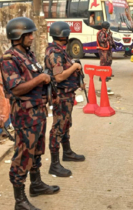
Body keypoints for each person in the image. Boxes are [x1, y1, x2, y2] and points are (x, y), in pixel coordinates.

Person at [0, 17, 60, 210]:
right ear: (18, 36)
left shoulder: (28, 55)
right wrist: (41, 78)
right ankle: (19, 201)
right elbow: (16, 89)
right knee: (23, 155)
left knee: (36, 150)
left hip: (38, 112)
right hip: (25, 115)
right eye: (29, 34)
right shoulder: (9, 59)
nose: (32, 37)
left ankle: (36, 184)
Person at [45, 21, 85, 177]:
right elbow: (59, 76)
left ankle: (67, 152)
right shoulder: (55, 53)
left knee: (66, 124)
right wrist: (74, 67)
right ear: (64, 35)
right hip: (61, 95)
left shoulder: (60, 50)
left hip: (67, 94)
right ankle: (54, 165)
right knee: (58, 128)